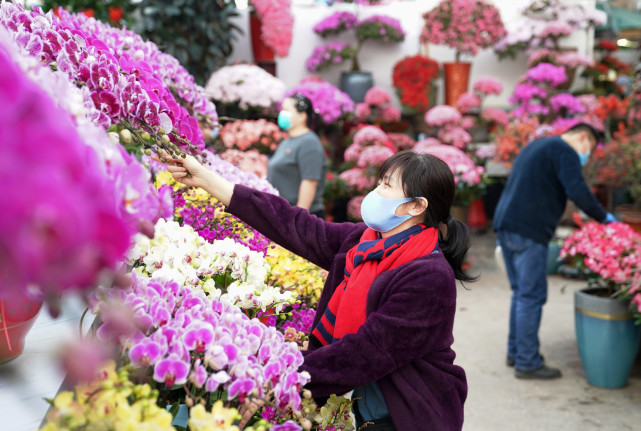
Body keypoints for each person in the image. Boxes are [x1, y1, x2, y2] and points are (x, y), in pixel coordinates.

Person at [158, 150, 474, 431]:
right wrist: (209, 180)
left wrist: (276, 375)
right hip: (352, 403)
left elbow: (366, 352)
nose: (375, 192)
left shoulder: (428, 277)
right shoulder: (363, 241)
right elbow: (295, 225)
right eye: (379, 182)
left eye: (386, 186)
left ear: (416, 206)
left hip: (403, 412)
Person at [493, 122, 617, 380]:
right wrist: (605, 218)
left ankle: (516, 351)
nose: (587, 155)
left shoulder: (538, 145)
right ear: (583, 137)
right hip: (528, 229)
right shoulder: (564, 150)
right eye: (589, 149)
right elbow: (577, 190)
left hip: (507, 224)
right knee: (531, 296)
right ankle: (527, 362)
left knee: (521, 294)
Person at [268, 92, 327, 218]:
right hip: (282, 213)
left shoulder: (309, 142)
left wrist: (299, 218)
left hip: (300, 217)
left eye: (286, 110)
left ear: (302, 117)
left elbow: (309, 182)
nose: (281, 113)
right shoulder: (288, 140)